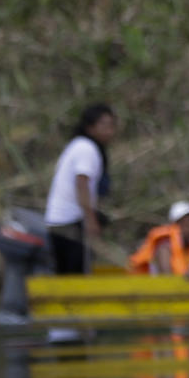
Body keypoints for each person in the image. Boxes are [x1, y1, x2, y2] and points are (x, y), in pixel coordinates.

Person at [44, 103, 116, 274]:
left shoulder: (77, 145)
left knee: (65, 275)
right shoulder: (87, 149)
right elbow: (81, 183)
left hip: (57, 221)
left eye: (112, 126)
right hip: (70, 222)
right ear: (90, 127)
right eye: (104, 125)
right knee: (77, 274)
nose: (110, 131)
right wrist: (90, 219)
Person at [128, 201, 189, 276]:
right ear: (176, 224)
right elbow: (166, 276)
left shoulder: (187, 248)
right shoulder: (164, 245)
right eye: (187, 224)